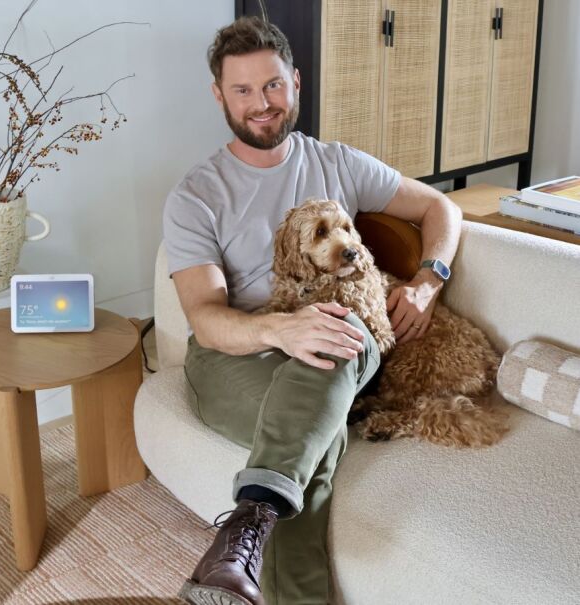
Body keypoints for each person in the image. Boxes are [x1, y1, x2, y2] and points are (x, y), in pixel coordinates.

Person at [164, 16, 462, 605]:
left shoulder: (339, 163)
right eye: (243, 90)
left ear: (296, 83)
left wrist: (430, 281)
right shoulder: (196, 195)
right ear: (219, 95)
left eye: (273, 85)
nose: (262, 104)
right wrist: (280, 327)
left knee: (336, 332)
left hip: (342, 338)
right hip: (237, 350)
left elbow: (439, 209)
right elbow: (205, 316)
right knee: (314, 441)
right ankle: (265, 523)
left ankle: (241, 538)